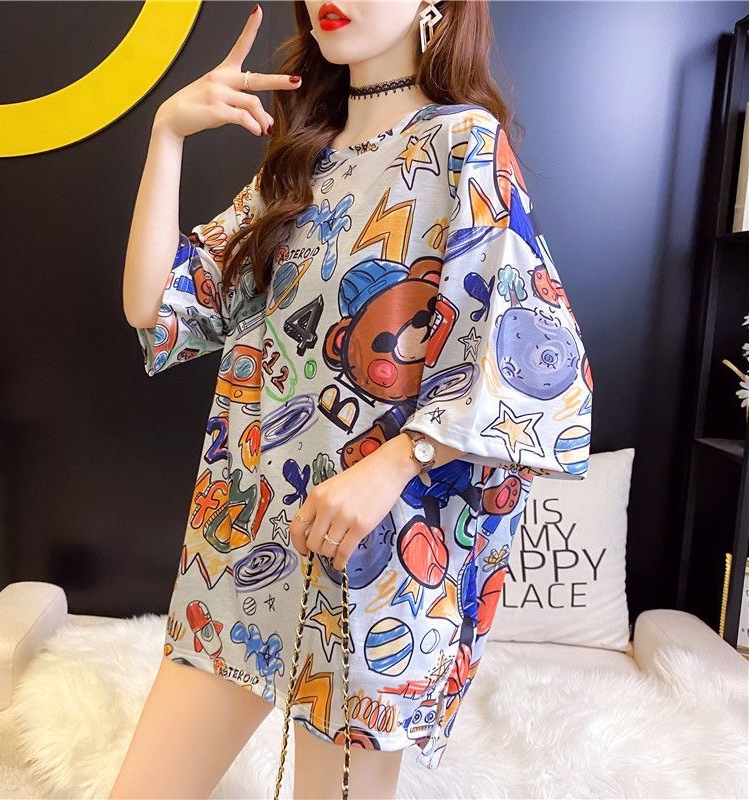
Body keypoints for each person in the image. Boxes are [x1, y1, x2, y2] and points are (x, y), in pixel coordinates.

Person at [113, 1, 593, 798]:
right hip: (243, 546)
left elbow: (536, 360)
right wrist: (166, 135)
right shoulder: (299, 164)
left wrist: (397, 463)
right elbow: (155, 305)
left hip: (376, 567)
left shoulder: (462, 145)